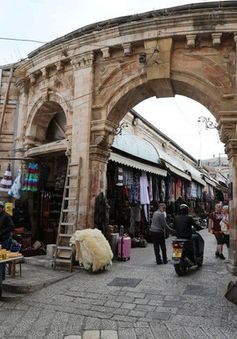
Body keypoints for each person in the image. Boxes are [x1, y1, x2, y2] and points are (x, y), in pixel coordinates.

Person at [0, 201, 14, 280]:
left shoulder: (6, 216)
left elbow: (12, 226)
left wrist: (2, 232)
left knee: (2, 258)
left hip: (4, 240)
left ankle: (2, 277)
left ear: (2, 208)